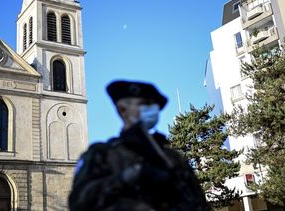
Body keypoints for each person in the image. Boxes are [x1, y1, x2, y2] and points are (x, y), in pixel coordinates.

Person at [69, 80, 210, 211]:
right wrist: (128, 176)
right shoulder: (102, 153)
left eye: (154, 105)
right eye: (145, 103)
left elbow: (200, 203)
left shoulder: (172, 158)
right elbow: (79, 202)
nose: (152, 109)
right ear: (122, 110)